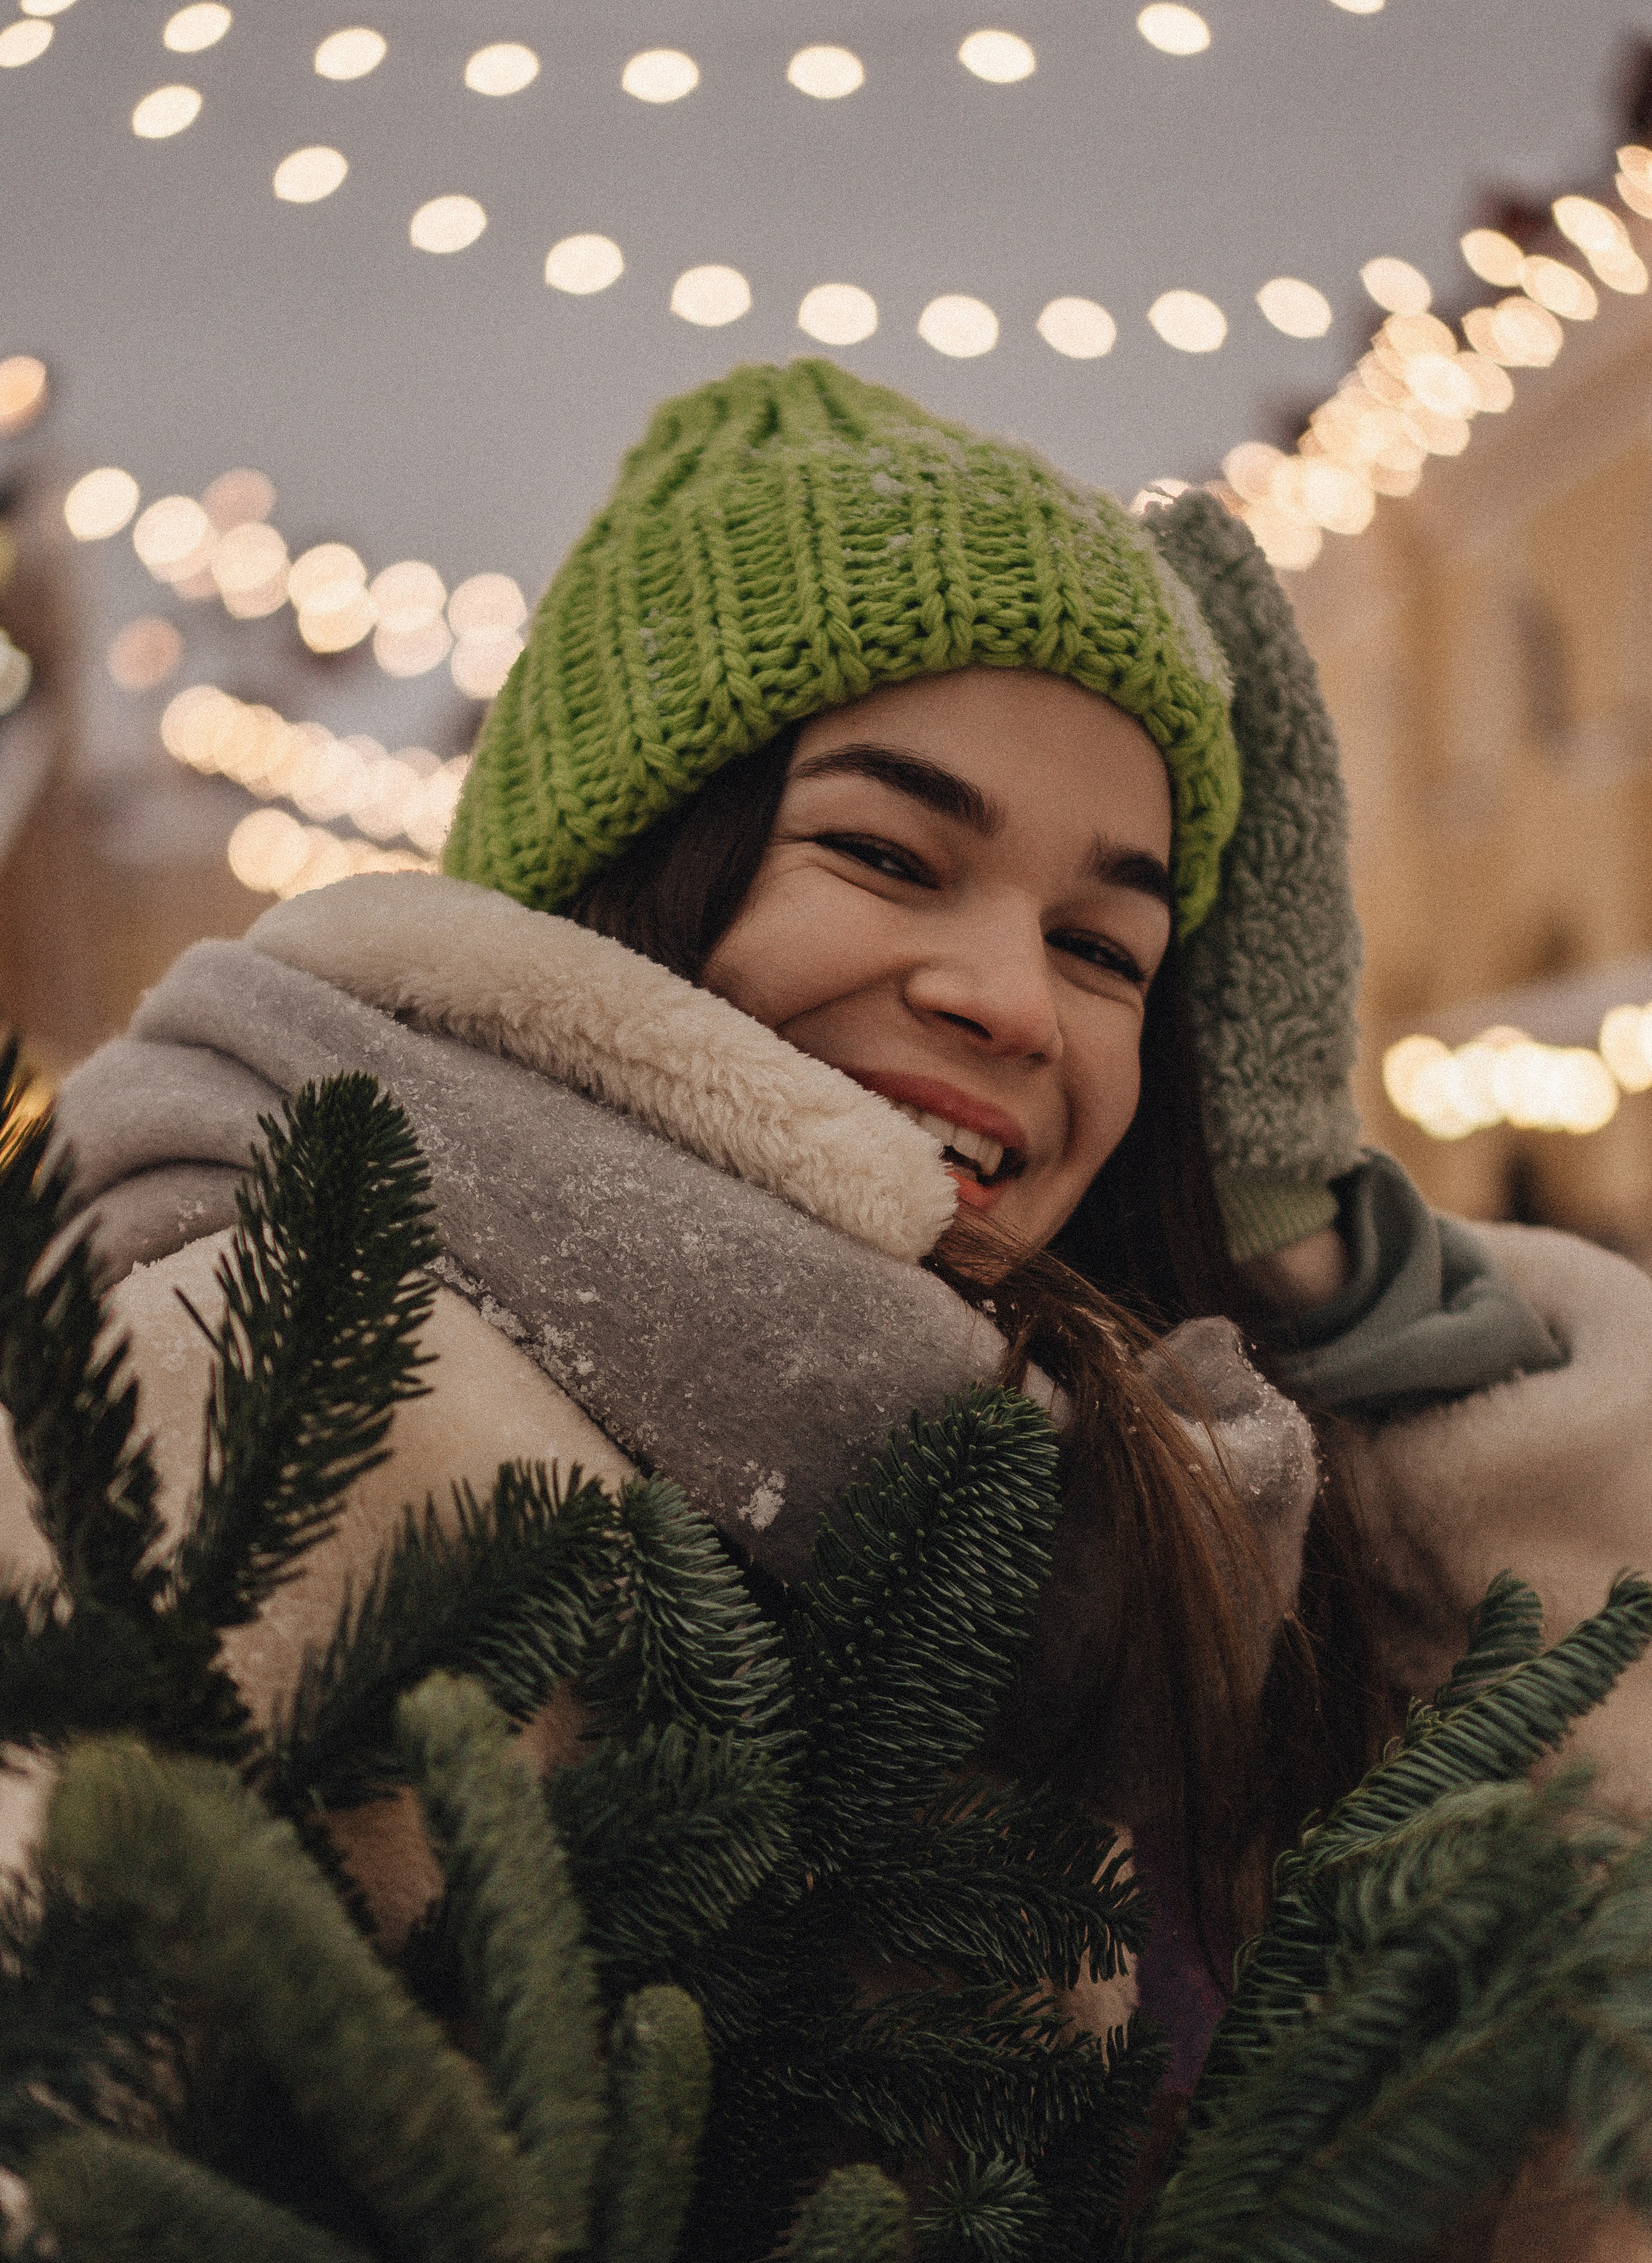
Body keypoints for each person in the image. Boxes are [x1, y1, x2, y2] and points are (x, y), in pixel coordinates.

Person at [5, 356, 1652, 2021]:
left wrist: (1312, 1265)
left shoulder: (1126, 1479)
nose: (1011, 998)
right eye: (885, 855)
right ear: (625, 872)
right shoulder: (288, 1377)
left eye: (1105, 948)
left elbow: (1558, 2010)